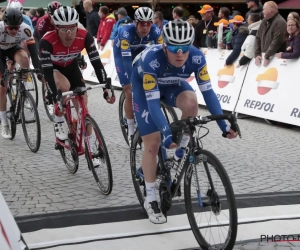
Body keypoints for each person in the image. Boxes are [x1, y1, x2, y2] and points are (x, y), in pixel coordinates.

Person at [131, 20, 238, 224]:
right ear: (164, 46)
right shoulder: (152, 60)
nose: (179, 53)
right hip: (145, 90)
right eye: (173, 48)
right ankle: (151, 198)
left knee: (191, 104)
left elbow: (208, 93)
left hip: (171, 83)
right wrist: (165, 131)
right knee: (153, 144)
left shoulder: (197, 57)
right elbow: (153, 104)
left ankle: (181, 152)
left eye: (184, 48)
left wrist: (224, 126)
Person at [39, 6, 115, 144]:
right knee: (64, 86)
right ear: (56, 28)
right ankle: (59, 120)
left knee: (84, 109)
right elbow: (47, 73)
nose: (68, 34)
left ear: (76, 26)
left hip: (71, 67)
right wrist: (54, 96)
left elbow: (97, 63)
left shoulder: (84, 36)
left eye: (72, 29)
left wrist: (106, 86)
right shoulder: (47, 41)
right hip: (54, 68)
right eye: (63, 30)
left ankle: (91, 147)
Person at [113, 6, 163, 145]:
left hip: (140, 50)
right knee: (129, 90)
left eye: (148, 23)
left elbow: (161, 54)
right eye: (142, 23)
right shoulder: (126, 32)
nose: (145, 27)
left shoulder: (155, 31)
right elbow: (127, 61)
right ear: (135, 23)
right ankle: (130, 128)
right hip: (122, 54)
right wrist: (132, 81)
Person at [0, 8, 40, 138]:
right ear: (4, 24)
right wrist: (4, 71)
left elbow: (33, 50)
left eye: (16, 28)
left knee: (25, 59)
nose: (13, 31)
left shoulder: (25, 28)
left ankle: (24, 90)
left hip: (13, 48)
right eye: (10, 28)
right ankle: (5, 124)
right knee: (2, 88)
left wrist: (38, 67)